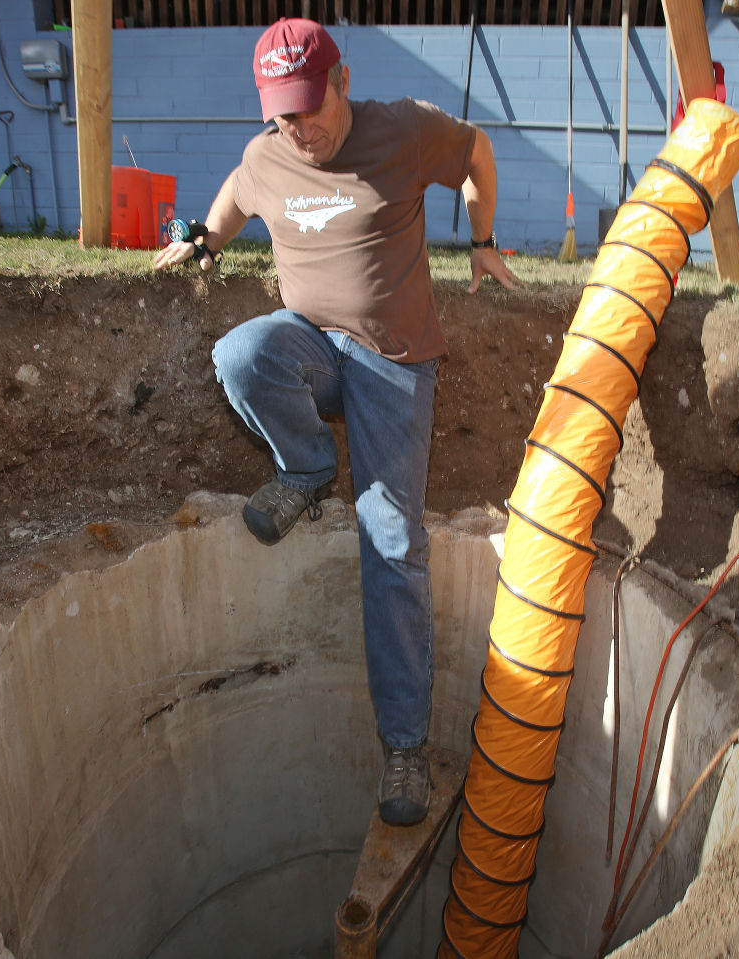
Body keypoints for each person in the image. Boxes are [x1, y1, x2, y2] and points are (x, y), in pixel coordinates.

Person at [153, 17, 519, 826]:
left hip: (395, 359)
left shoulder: (404, 129)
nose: (302, 128)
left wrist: (482, 236)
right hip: (314, 349)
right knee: (242, 355)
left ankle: (403, 744)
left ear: (342, 81)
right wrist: (206, 241)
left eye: (311, 109)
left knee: (391, 541)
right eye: (285, 115)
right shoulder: (266, 154)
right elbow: (237, 195)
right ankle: (309, 467)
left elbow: (478, 153)